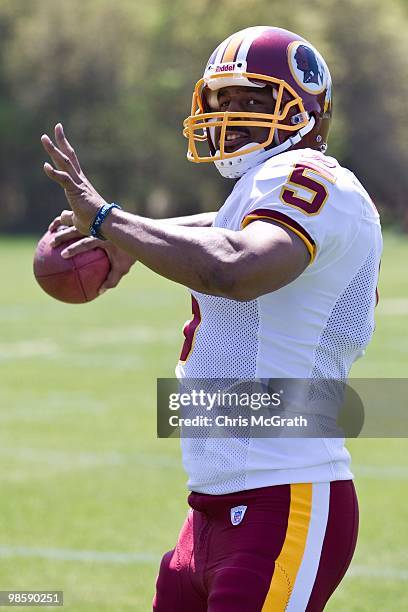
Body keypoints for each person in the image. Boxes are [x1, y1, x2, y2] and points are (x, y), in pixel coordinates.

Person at [41, 26, 382, 612]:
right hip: (209, 510)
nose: (234, 115)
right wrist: (131, 240)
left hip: (286, 499)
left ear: (307, 109)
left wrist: (109, 220)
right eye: (223, 101)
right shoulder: (258, 193)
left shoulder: (314, 177)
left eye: (254, 100)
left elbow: (236, 268)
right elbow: (223, 228)